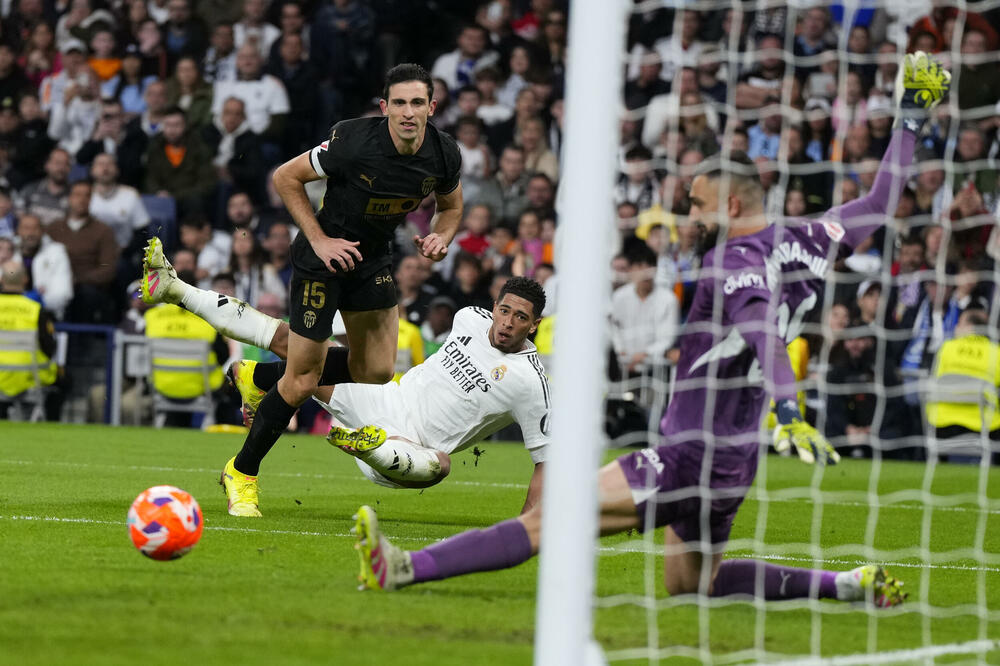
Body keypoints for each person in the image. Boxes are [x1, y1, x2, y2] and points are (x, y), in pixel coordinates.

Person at [349, 53, 951, 604]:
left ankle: (402, 567)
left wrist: (789, 409)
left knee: (551, 523)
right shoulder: (811, 239)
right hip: (737, 458)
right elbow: (878, 201)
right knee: (695, 584)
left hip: (691, 449)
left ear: (731, 206)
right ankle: (846, 585)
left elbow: (762, 327)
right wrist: (910, 119)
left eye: (698, 202)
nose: (691, 215)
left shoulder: (732, 260)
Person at [142, 63, 463, 517]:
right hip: (321, 260)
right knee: (303, 378)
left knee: (375, 369)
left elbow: (450, 207)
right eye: (399, 103)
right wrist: (319, 240)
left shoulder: (445, 153)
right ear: (384, 107)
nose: (408, 113)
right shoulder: (353, 141)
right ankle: (242, 471)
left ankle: (257, 378)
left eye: (417, 103)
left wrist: (441, 235)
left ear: (432, 107)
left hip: (372, 261)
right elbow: (284, 178)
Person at [139, 244, 547, 509]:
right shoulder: (469, 318)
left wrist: (527, 527)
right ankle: (178, 291)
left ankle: (363, 442)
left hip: (412, 447)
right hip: (382, 396)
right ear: (494, 305)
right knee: (294, 343)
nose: (508, 322)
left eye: (520, 317)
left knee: (440, 465)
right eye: (505, 310)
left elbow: (545, 463)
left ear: (534, 325)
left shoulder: (531, 382)